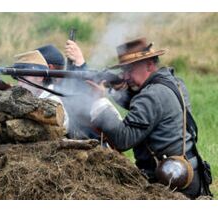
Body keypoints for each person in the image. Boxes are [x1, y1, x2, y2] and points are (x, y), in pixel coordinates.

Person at [87, 38, 212, 199]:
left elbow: (123, 139)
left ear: (149, 64)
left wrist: (99, 101)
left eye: (129, 70)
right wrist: (117, 91)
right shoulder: (174, 82)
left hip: (171, 185)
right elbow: (147, 111)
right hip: (189, 175)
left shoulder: (151, 95)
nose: (124, 76)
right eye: (123, 71)